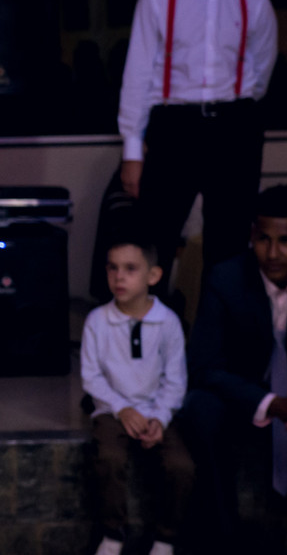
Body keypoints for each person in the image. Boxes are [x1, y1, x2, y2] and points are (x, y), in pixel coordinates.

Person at [117, 0, 277, 294]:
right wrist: (133, 152)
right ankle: (149, 344)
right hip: (175, 126)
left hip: (234, 126)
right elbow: (138, 78)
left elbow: (260, 76)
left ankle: (216, 349)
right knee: (154, 238)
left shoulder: (255, 4)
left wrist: (233, 111)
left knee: (230, 246)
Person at [179, 185, 287, 554]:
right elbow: (203, 366)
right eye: (263, 239)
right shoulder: (226, 278)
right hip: (248, 398)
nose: (272, 253)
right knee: (199, 407)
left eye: (285, 241)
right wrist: (272, 403)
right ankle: (224, 538)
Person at [81, 235, 192, 555]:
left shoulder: (168, 322)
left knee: (181, 466)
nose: (119, 277)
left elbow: (175, 379)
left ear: (153, 276)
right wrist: (122, 409)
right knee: (110, 459)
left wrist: (159, 417)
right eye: (113, 268)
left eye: (130, 269)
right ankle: (113, 533)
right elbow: (91, 377)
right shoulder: (96, 321)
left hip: (158, 409)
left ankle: (165, 538)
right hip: (111, 409)